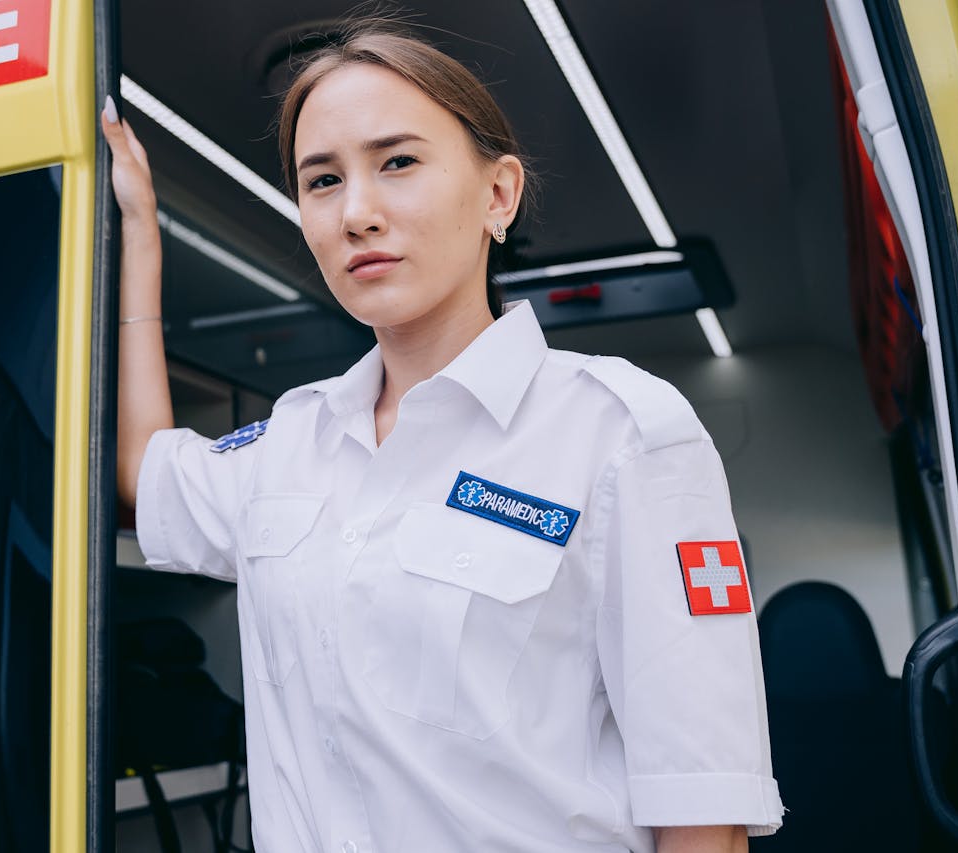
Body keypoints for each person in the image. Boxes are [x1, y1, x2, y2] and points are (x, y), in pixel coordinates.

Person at [104, 19, 783, 853]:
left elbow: (700, 812)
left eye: (398, 162)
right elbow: (146, 475)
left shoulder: (619, 433)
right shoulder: (291, 440)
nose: (357, 212)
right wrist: (138, 233)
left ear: (498, 195)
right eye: (322, 181)